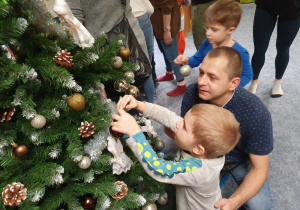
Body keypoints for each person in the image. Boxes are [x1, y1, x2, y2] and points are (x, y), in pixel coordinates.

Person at [173, 46, 273, 209]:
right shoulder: (193, 93)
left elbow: (260, 169)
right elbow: (185, 134)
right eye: (201, 73)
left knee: (259, 207)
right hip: (202, 155)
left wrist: (234, 201)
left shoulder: (256, 113)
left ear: (233, 83)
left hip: (238, 160)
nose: (201, 82)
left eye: (212, 77)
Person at [111, 95, 240, 210]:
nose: (178, 124)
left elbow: (158, 168)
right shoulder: (204, 148)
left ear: (198, 149)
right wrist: (140, 105)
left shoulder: (197, 170)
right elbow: (169, 117)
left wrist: (135, 133)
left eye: (184, 127)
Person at [174, 0, 253, 87]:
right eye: (207, 28)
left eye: (214, 30)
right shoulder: (207, 43)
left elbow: (247, 75)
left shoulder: (240, 52)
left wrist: (229, 87)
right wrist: (187, 60)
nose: (208, 33)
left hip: (226, 93)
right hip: (207, 87)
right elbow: (197, 59)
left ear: (230, 30)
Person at [248, 0, 300, 97]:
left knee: (283, 48)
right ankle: (254, 81)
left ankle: (278, 81)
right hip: (266, 5)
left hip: (293, 7)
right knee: (260, 48)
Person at [150, 0, 187, 97]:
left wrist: (167, 30)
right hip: (158, 26)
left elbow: (166, 6)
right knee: (165, 51)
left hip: (166, 26)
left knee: (172, 56)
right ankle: (169, 73)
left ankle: (181, 84)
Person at [130, 0, 156, 103]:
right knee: (147, 62)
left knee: (132, 65)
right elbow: (150, 9)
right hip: (143, 17)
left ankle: (137, 102)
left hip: (127, 22)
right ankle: (152, 100)